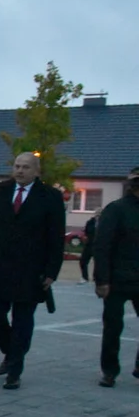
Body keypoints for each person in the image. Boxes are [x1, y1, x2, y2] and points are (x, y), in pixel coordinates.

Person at [0, 152, 65, 389]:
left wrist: (52, 271)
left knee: (23, 319)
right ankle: (12, 353)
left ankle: (14, 370)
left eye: (25, 167)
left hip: (31, 270)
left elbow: (56, 238)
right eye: (17, 166)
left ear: (37, 171)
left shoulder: (50, 197)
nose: (20, 171)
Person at [94, 166, 139, 388]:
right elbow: (102, 246)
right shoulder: (117, 209)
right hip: (117, 279)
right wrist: (102, 280)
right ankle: (109, 371)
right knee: (112, 327)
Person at [79, 211, 99, 284]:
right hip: (89, 245)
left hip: (98, 246)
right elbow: (87, 232)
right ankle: (84, 277)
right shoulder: (90, 222)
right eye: (97, 214)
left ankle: (96, 278)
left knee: (98, 262)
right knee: (83, 261)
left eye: (100, 214)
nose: (98, 216)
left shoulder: (104, 222)